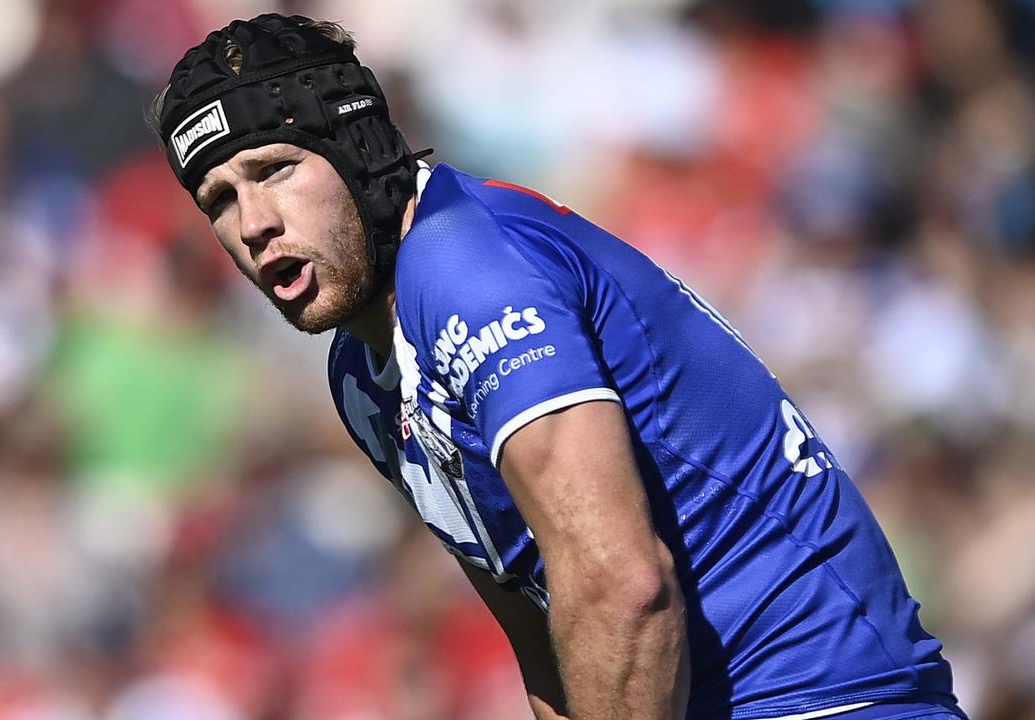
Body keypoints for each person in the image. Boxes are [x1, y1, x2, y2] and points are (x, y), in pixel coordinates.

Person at [147, 13, 964, 720]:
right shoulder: (362, 377)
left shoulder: (467, 271)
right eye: (218, 199)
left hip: (828, 696)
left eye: (275, 169)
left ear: (357, 149)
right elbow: (545, 632)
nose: (253, 223)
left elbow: (624, 588)